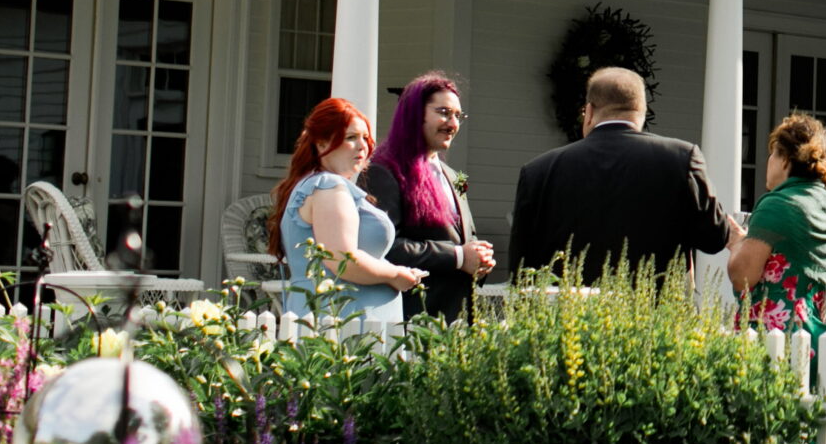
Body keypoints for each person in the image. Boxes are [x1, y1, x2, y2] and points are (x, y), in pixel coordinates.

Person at [508, 67, 731, 283]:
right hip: (652, 312)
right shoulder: (681, 159)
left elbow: (520, 266)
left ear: (590, 112)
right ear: (642, 111)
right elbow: (714, 239)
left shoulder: (539, 171)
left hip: (565, 315)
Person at [727, 112, 826, 336]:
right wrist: (823, 282)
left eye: (772, 153)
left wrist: (737, 242)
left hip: (769, 342)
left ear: (785, 160)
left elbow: (742, 278)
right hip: (814, 338)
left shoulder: (776, 204)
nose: (769, 161)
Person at [271, 97, 423, 325]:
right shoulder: (329, 187)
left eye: (365, 137)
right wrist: (396, 275)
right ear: (322, 144)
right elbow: (344, 259)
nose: (363, 146)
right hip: (341, 326)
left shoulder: (319, 185)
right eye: (351, 138)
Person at [359, 72, 494, 320]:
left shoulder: (453, 176)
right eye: (443, 112)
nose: (453, 124)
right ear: (414, 115)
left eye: (458, 116)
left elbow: (463, 238)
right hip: (413, 317)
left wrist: (479, 260)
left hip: (458, 319)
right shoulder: (383, 172)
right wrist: (458, 256)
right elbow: (384, 246)